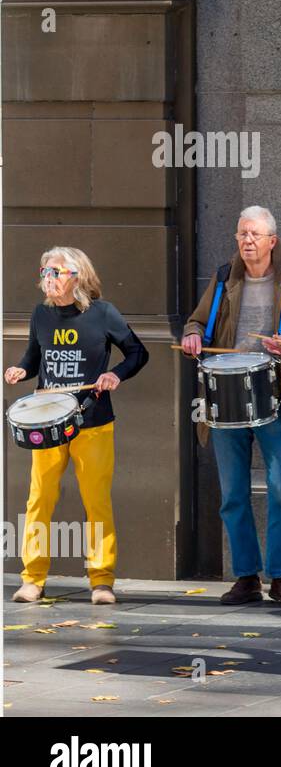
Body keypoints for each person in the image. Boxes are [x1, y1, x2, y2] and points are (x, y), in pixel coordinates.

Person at [181, 206, 281, 609]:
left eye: (254, 235)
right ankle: (246, 577)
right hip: (226, 398)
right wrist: (193, 336)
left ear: (272, 241)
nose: (247, 241)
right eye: (241, 234)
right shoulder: (222, 278)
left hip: (278, 396)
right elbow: (196, 323)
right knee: (232, 494)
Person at [5, 248, 149, 605]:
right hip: (48, 422)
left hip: (93, 420)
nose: (48, 278)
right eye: (45, 271)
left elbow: (137, 352)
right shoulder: (41, 313)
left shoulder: (103, 313)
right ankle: (33, 578)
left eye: (56, 272)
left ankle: (101, 580)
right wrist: (22, 370)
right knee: (39, 498)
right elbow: (34, 357)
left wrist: (115, 375)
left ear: (77, 276)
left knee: (96, 501)